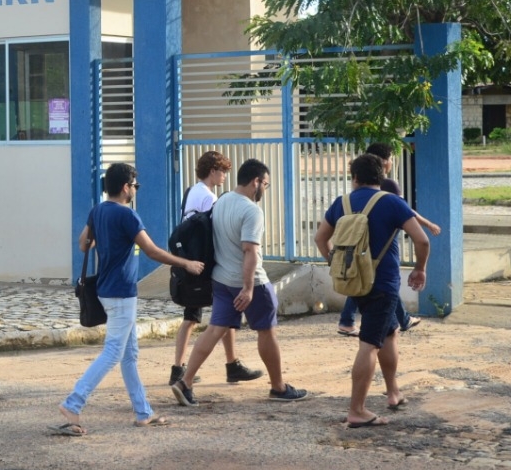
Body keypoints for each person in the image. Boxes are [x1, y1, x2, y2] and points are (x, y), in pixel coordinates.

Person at [52, 163, 205, 436]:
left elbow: (84, 243)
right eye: (135, 186)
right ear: (126, 187)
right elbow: (153, 252)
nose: (135, 190)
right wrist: (187, 264)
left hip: (107, 290)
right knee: (113, 353)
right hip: (121, 292)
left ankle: (143, 412)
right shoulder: (128, 215)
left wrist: (107, 236)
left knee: (129, 354)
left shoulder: (98, 210)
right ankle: (73, 402)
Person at [171, 159, 308, 407]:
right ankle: (278, 387)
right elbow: (250, 251)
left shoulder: (222, 200)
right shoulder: (251, 211)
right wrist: (247, 288)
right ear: (256, 181)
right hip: (250, 283)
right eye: (265, 184)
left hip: (221, 280)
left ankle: (185, 382)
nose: (264, 189)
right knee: (266, 331)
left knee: (214, 330)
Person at [314, 153, 431, 428]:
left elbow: (321, 238)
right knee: (369, 343)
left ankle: (393, 393)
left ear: (354, 177)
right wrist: (420, 269)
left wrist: (336, 262)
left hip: (355, 282)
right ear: (382, 175)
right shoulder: (392, 202)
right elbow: (422, 240)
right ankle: (357, 410)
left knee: (390, 333)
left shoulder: (341, 203)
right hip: (383, 284)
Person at [170, 151, 263, 386]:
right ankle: (229, 366)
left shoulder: (191, 191)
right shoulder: (209, 198)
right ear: (212, 171)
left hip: (190, 261)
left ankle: (180, 368)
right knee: (222, 315)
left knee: (194, 316)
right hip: (204, 264)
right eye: (222, 171)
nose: (224, 176)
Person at [336, 142, 440, 337]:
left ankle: (395, 320)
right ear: (384, 161)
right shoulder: (389, 185)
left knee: (361, 276)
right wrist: (427, 225)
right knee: (379, 282)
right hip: (384, 244)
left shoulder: (354, 192)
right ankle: (351, 320)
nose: (392, 162)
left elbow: (321, 236)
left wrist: (332, 259)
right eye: (391, 158)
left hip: (359, 243)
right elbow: (407, 213)